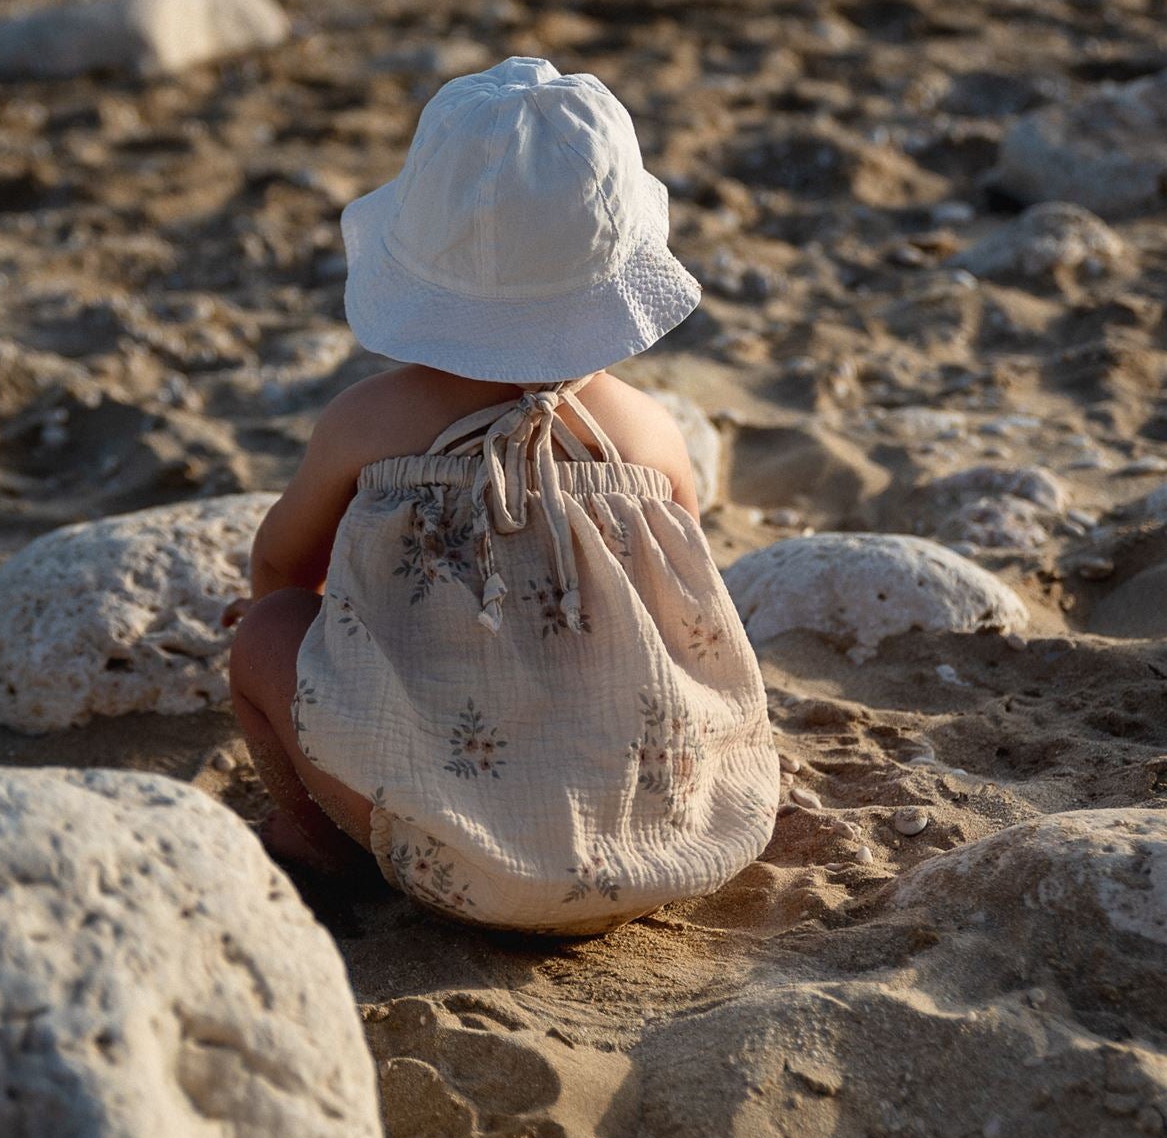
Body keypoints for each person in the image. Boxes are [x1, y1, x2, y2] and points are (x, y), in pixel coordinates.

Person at [224, 57, 778, 933]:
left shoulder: (372, 422)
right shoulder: (647, 432)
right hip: (667, 843)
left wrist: (345, 653)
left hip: (459, 862)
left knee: (264, 634)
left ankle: (312, 835)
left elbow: (280, 563)